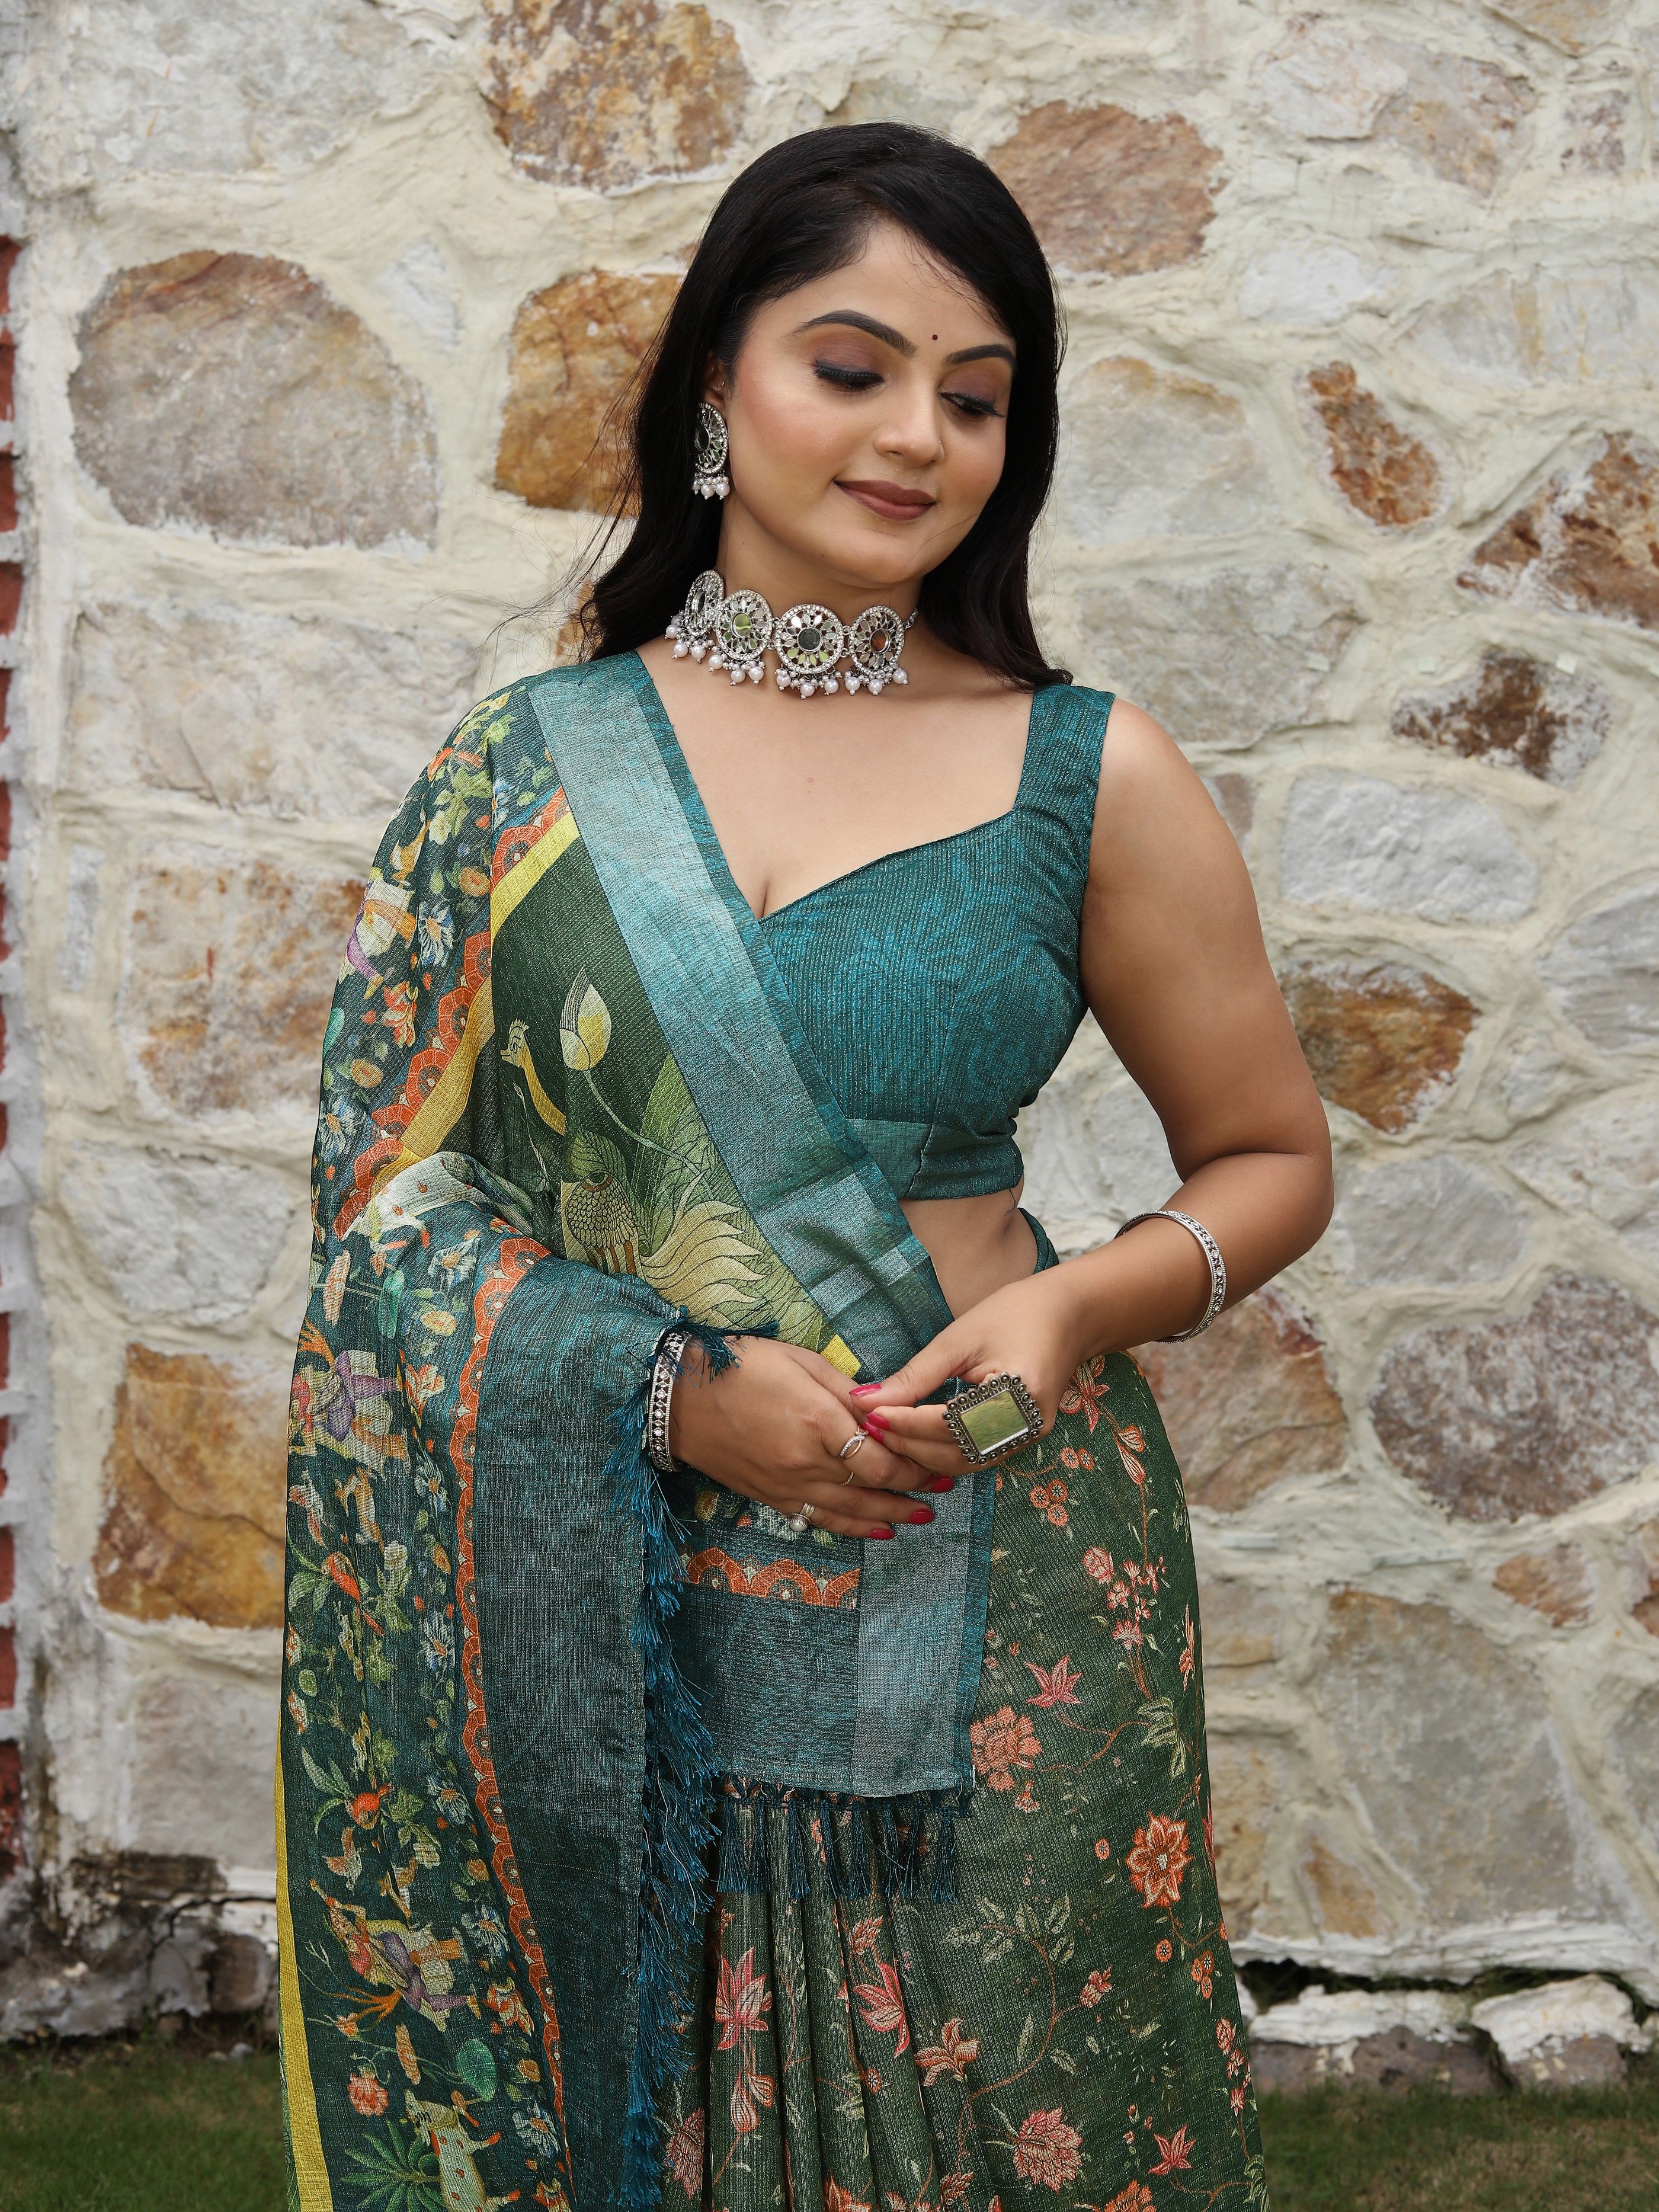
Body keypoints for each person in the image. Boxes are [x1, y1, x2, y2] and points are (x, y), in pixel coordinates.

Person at [277, 122, 1331, 2212]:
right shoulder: (519, 772)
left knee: (1019, 2128)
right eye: (853, 368)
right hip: (609, 1597)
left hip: (997, 1566)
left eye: (977, 396)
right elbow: (383, 1212)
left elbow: (1268, 1158)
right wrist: (666, 1391)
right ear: (716, 389)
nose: (918, 436)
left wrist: (1073, 1305)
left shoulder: (1085, 769)